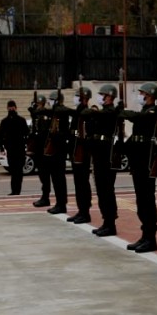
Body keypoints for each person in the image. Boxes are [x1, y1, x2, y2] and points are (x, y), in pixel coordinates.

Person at [119, 81, 157, 253]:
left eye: (142, 93)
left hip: (147, 163)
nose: (140, 96)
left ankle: (151, 238)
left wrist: (123, 112)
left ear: (150, 95)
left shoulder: (152, 112)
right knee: (141, 201)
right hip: (138, 162)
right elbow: (136, 137)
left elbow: (138, 118)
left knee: (147, 200)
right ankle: (145, 235)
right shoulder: (145, 111)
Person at [84, 85, 121, 237]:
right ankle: (106, 221)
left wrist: (93, 112)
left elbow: (105, 115)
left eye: (102, 95)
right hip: (99, 155)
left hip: (107, 155)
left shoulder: (111, 112)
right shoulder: (101, 113)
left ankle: (110, 223)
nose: (100, 97)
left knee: (106, 190)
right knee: (100, 190)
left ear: (110, 97)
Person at [64, 86, 94, 224]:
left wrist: (78, 135)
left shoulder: (87, 113)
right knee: (78, 183)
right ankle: (81, 210)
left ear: (84, 99)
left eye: (78, 96)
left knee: (83, 183)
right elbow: (75, 132)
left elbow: (86, 133)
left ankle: (85, 211)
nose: (75, 98)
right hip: (76, 150)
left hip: (83, 152)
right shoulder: (78, 112)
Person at [38, 90, 71, 215]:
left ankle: (61, 204)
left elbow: (65, 132)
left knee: (59, 179)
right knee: (55, 179)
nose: (51, 102)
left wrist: (57, 135)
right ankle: (59, 203)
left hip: (59, 150)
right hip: (53, 150)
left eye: (52, 100)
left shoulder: (62, 113)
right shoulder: (54, 113)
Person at [0, 100, 28, 196]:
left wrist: (25, 144)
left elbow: (27, 133)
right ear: (7, 108)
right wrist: (2, 148)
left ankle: (17, 190)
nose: (11, 108)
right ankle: (13, 190)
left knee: (19, 171)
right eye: (9, 107)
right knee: (13, 170)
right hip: (10, 149)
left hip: (20, 148)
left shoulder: (21, 120)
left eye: (12, 107)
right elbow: (0, 135)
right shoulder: (4, 121)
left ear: (16, 108)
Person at [27, 93, 52, 206]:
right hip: (37, 148)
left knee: (44, 174)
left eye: (36, 104)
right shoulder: (36, 116)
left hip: (43, 148)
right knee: (42, 174)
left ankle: (45, 197)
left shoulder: (44, 116)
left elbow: (42, 133)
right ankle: (44, 196)